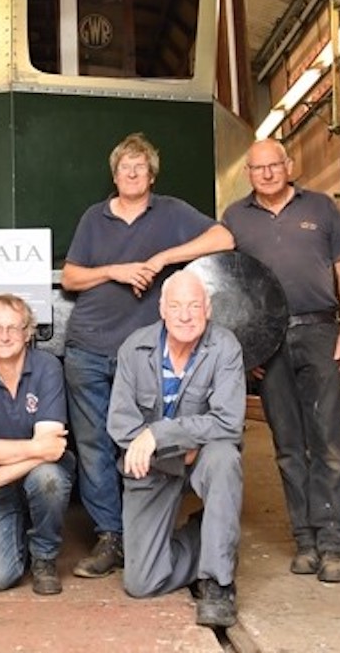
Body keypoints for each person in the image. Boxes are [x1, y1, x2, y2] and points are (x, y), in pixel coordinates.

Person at [61, 132, 234, 579]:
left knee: (145, 440)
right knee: (95, 446)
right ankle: (109, 536)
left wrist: (162, 259)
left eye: (139, 167)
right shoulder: (93, 218)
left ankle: (146, 533)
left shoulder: (172, 212)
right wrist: (114, 271)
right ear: (114, 175)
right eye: (124, 168)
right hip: (89, 347)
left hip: (142, 356)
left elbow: (224, 238)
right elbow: (71, 278)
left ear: (151, 175)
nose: (131, 174)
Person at [221, 138, 340, 584]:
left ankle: (332, 542)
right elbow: (231, 285)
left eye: (274, 165)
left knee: (328, 442)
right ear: (249, 173)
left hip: (320, 331)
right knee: (287, 446)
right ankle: (304, 540)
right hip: (271, 340)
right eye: (258, 168)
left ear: (289, 165)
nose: (267, 173)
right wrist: (248, 347)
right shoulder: (236, 218)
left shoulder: (321, 208)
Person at [108, 269, 245, 628]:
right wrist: (174, 448)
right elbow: (121, 426)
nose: (186, 315)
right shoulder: (134, 349)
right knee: (141, 583)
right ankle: (207, 535)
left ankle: (217, 582)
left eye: (194, 305)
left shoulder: (225, 346)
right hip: (156, 464)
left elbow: (229, 421)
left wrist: (161, 433)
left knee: (225, 459)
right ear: (162, 310)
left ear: (208, 309)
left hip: (203, 458)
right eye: (177, 306)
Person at [0, 295, 74, 595]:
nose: (5, 336)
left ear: (27, 332)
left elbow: (52, 452)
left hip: (22, 474)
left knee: (49, 478)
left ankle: (44, 557)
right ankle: (13, 534)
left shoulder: (47, 366)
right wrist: (35, 448)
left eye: (13, 327)